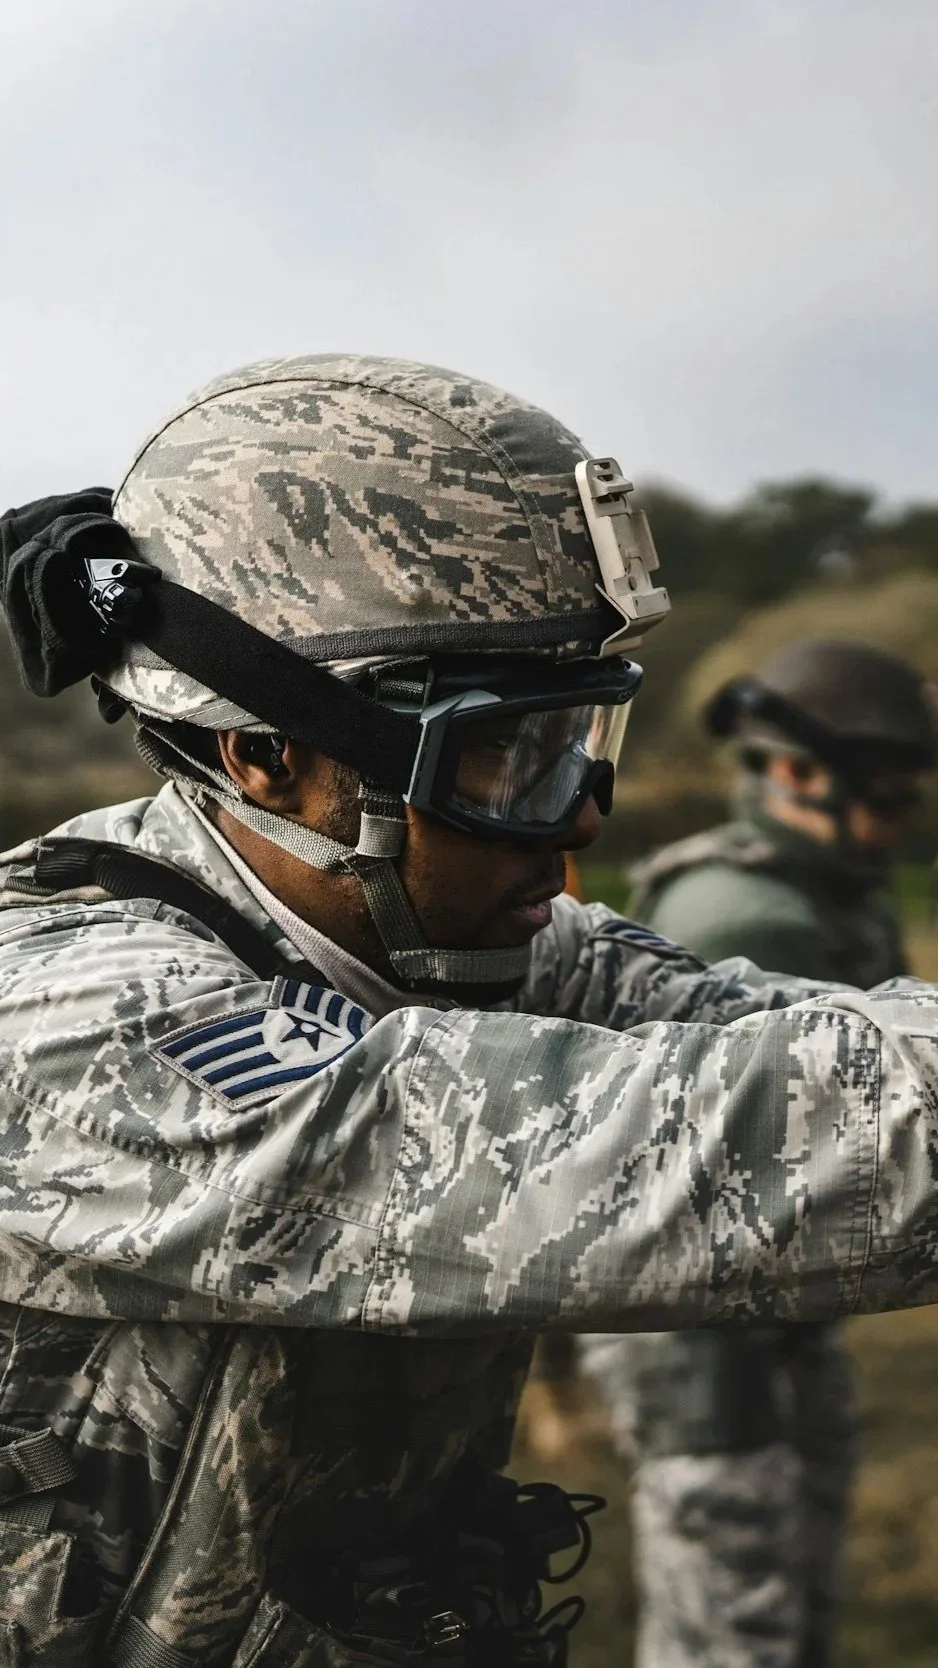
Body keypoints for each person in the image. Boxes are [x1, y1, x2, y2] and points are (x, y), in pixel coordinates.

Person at [0, 355, 937, 1668]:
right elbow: (711, 1146)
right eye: (502, 755)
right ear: (261, 750)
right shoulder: (68, 1022)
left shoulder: (460, 939)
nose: (576, 827)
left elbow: (780, 1038)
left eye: (579, 744)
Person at [579, 638, 937, 1668]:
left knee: (790, 1596)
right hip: (704, 1339)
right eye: (883, 789)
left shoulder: (822, 891)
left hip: (769, 1316)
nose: (898, 813)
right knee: (730, 1619)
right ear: (791, 771)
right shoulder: (748, 917)